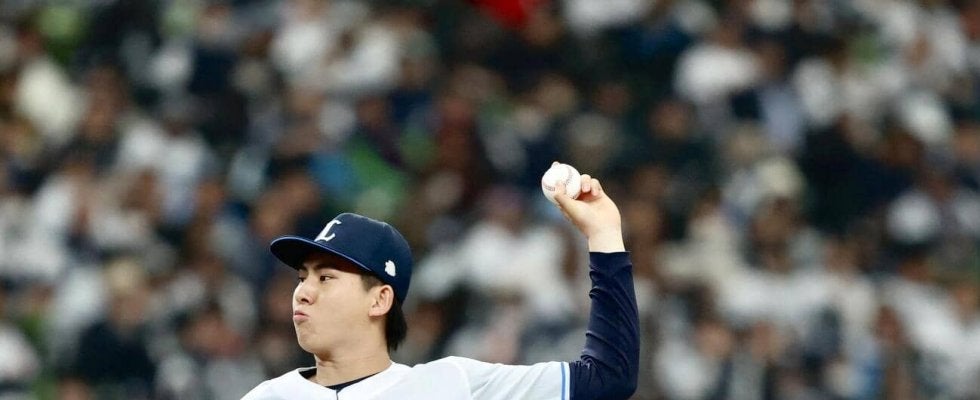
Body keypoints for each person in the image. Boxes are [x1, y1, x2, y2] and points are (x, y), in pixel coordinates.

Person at [242, 167, 639, 399]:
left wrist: (604, 237)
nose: (303, 292)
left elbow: (608, 379)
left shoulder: (452, 386)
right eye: (302, 277)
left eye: (326, 277)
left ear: (379, 300)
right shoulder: (266, 397)